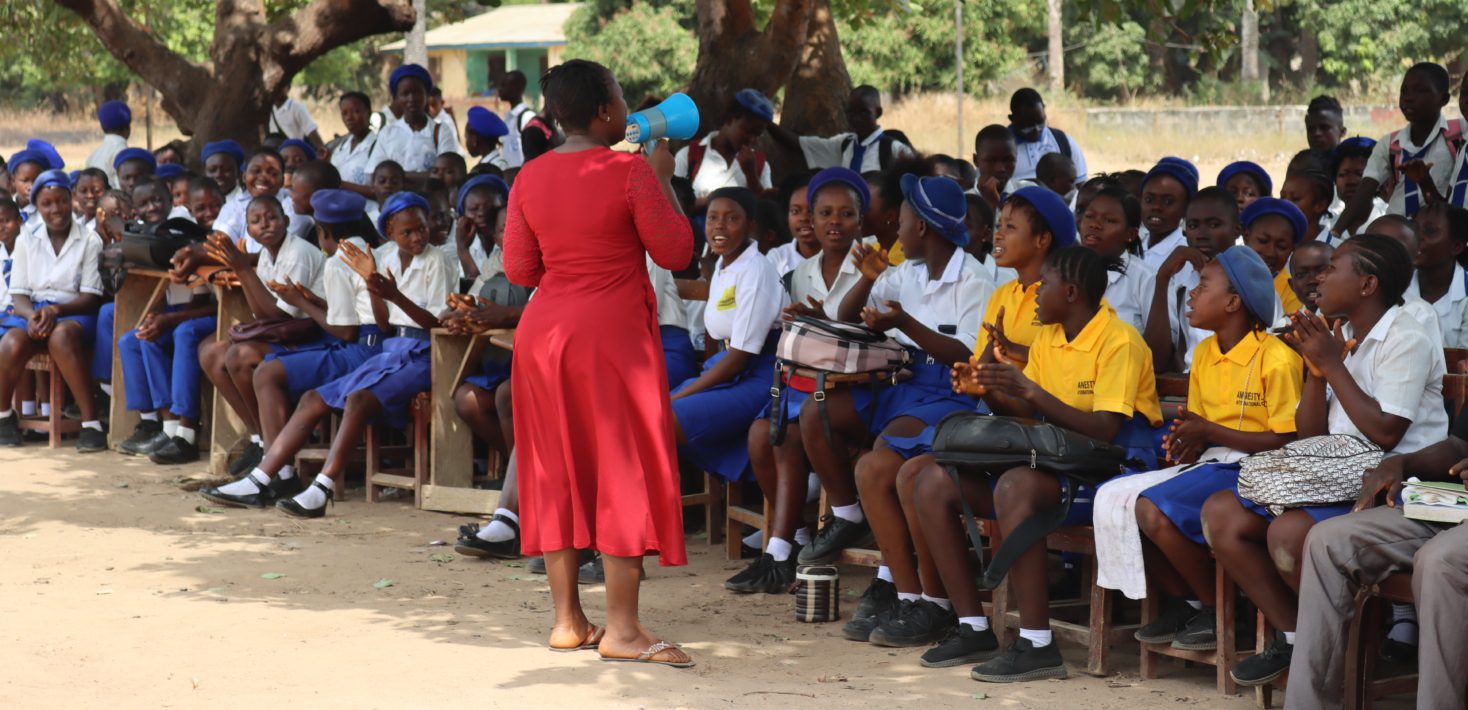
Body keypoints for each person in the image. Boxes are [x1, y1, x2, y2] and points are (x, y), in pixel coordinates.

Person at [501, 59, 694, 666]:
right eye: (621, 97)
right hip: (610, 339)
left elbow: (520, 270)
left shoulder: (529, 176)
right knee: (620, 469)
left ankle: (567, 622)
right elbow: (676, 251)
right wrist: (661, 178)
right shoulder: (629, 171)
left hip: (544, 337)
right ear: (607, 111)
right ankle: (624, 631)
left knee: (553, 468)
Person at [1202, 234, 1449, 687]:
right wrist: (1316, 373)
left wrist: (1332, 364)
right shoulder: (1340, 335)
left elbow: (1386, 433)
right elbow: (1311, 435)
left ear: (1368, 285)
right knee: (1221, 513)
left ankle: (1346, 654)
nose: (1320, 280)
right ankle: (1298, 638)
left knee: (1288, 533)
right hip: (1335, 474)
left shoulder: (1405, 337)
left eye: (1333, 269)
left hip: (1390, 483)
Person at [919, 245, 1163, 681]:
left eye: (1043, 284)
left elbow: (1105, 430)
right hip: (1054, 461)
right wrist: (987, 392)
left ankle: (1036, 644)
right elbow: (1030, 416)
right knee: (933, 481)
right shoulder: (1050, 337)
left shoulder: (1120, 341)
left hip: (1109, 472)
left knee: (1016, 486)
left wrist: (1030, 391)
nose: (1034, 293)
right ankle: (972, 627)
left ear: (1070, 292)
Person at [813, 175, 992, 647]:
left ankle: (915, 594)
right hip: (905, 384)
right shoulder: (905, 271)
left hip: (956, 393)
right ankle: (905, 594)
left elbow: (968, 356)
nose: (897, 230)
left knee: (880, 460)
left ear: (924, 228)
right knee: (839, 432)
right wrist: (870, 278)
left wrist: (904, 322)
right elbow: (845, 316)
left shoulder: (974, 279)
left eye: (905, 221)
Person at [1094, 246, 1302, 651]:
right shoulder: (1205, 352)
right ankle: (1187, 601)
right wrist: (1186, 442)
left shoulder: (1276, 358)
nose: (1191, 293)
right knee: (1115, 500)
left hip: (1259, 470)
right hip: (1213, 463)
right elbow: (1201, 429)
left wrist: (1208, 431)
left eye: (1204, 286)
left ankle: (1216, 609)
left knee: (1149, 508)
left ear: (1233, 302)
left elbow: (1289, 439)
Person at [204, 192, 452, 515]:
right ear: (389, 233)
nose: (417, 236)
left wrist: (390, 293)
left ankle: (321, 489)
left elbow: (434, 324)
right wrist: (373, 283)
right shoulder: (386, 256)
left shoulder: (437, 260)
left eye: (422, 228)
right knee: (312, 399)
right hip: (391, 349)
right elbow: (384, 322)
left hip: (421, 351)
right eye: (408, 232)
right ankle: (259, 479)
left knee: (357, 399)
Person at [729, 169, 882, 593]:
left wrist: (822, 321)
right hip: (810, 385)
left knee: (790, 430)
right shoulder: (800, 273)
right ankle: (792, 540)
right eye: (825, 213)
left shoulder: (877, 266)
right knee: (762, 434)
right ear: (810, 220)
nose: (835, 222)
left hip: (858, 389)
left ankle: (781, 550)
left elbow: (878, 335)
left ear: (861, 220)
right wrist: (801, 320)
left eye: (846, 214)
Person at [1286, 412, 1468, 709]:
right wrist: (1404, 462)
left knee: (1439, 562)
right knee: (1327, 541)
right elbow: (1459, 446)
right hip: (1457, 504)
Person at [197, 195, 328, 477]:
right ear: (248, 230)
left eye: (272, 218)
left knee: (240, 356)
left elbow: (279, 316)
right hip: (286, 333)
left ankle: (273, 449)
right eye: (256, 221)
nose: (265, 225)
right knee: (210, 354)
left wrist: (243, 269)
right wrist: (243, 268)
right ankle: (258, 439)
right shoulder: (268, 255)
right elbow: (261, 313)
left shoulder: (298, 253)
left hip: (314, 336)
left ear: (286, 221)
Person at [670, 187, 786, 484]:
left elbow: (739, 358)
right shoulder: (722, 264)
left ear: (750, 226)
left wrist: (681, 395)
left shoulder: (756, 271)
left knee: (664, 417)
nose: (719, 226)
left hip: (761, 376)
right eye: (712, 218)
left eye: (731, 218)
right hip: (729, 369)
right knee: (645, 414)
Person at [0, 170, 107, 452]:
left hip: (74, 312)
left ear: (71, 200)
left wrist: (55, 310)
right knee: (11, 341)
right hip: (34, 311)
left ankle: (91, 424)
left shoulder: (89, 240)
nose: (56, 209)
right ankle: (4, 416)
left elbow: (90, 297)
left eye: (61, 201)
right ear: (37, 206)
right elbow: (19, 294)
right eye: (47, 204)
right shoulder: (26, 239)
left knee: (61, 337)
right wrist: (31, 317)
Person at [114, 217, 216, 461]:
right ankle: (160, 426)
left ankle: (186, 435)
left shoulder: (205, 239)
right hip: (191, 312)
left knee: (183, 333)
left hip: (223, 315)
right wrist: (161, 317)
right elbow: (194, 300)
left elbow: (214, 303)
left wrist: (171, 320)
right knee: (136, 339)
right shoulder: (177, 243)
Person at [1331, 62, 1458, 238]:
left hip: (1434, 235)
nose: (1409, 98)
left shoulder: (1457, 137)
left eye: (1420, 91)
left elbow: (1447, 206)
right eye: (1404, 91)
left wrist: (1424, 181)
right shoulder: (1390, 144)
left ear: (1443, 99)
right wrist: (1336, 231)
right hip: (1395, 233)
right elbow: (1365, 190)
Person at [1144, 186, 1241, 373]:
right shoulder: (1178, 282)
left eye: (1214, 225)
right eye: (1193, 226)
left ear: (1237, 230)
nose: (1201, 235)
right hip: (1189, 385)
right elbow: (1156, 361)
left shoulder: (1250, 281)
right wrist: (1162, 278)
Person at [769, 85, 915, 174]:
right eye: (851, 112)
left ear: (878, 112)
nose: (856, 118)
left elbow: (916, 180)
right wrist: (766, 122)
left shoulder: (893, 149)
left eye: (864, 112)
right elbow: (800, 143)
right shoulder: (844, 144)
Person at [673, 89, 774, 204]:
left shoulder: (760, 165)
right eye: (748, 131)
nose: (752, 139)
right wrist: (712, 200)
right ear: (730, 120)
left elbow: (767, 209)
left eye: (757, 135)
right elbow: (674, 205)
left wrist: (752, 177)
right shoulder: (689, 156)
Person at [1079, 184, 1155, 333]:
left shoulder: (1147, 279)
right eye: (1089, 216)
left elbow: (1162, 342)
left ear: (1130, 234)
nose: (1094, 224)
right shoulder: (1064, 270)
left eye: (1109, 220)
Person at [370, 64, 462, 179]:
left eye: (417, 93)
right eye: (405, 94)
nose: (411, 99)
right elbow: (374, 174)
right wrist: (426, 176)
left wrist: (397, 177)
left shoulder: (441, 131)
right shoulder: (387, 133)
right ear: (396, 98)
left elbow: (446, 175)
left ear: (426, 95)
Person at [1405, 202, 1468, 348]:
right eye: (1414, 228)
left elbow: (1464, 359)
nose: (1416, 237)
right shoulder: (1397, 285)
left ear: (1456, 247)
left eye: (1430, 231)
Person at [1240, 197, 1309, 314]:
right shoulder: (1220, 274)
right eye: (1263, 241)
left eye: (1281, 246)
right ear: (1246, 236)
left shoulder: (1293, 293)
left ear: (1291, 250)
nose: (1270, 253)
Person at [1008, 88, 1088, 184]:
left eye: (1041, 122)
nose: (1036, 130)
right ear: (1012, 119)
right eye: (1028, 126)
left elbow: (1080, 184)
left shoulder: (1063, 142)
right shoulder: (1001, 147)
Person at [1139, 157, 1199, 272]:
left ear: (1186, 209)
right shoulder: (1132, 248)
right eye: (1149, 199)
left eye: (1168, 202)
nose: (1156, 207)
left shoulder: (1187, 259)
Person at [1329, 137, 1387, 240]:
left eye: (1360, 174)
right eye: (1343, 175)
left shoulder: (1387, 218)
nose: (1351, 181)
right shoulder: (1327, 224)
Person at [764, 171, 819, 277]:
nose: (803, 218)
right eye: (795, 211)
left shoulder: (844, 257)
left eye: (811, 211)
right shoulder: (777, 258)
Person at [330, 92, 379, 192]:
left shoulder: (378, 146)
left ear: (368, 113)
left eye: (356, 111)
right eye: (344, 113)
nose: (349, 117)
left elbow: (380, 191)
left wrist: (340, 184)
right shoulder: (339, 148)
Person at [971, 125, 1019, 216]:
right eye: (991, 161)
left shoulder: (1028, 194)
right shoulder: (964, 202)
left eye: (1008, 160)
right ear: (976, 160)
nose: (1000, 169)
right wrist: (990, 204)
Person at [269, 91, 329, 159]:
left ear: (287, 88)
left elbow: (311, 131)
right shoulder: (271, 112)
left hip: (298, 154)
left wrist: (322, 150)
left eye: (279, 88)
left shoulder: (297, 107)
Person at [85, 100, 130, 186]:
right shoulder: (122, 152)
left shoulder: (94, 155)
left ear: (102, 127)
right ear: (127, 128)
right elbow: (122, 187)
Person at [1280, 167, 1332, 243]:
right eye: (1282, 197)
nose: (1285, 203)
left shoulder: (1338, 247)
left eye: (1295, 198)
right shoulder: (1273, 242)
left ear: (1320, 205)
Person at [498, 70, 535, 169]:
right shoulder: (508, 117)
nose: (499, 89)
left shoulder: (527, 117)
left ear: (517, 88)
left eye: (504, 85)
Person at [464, 106, 510, 171]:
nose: (466, 142)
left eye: (466, 137)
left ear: (474, 140)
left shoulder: (497, 166)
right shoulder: (488, 163)